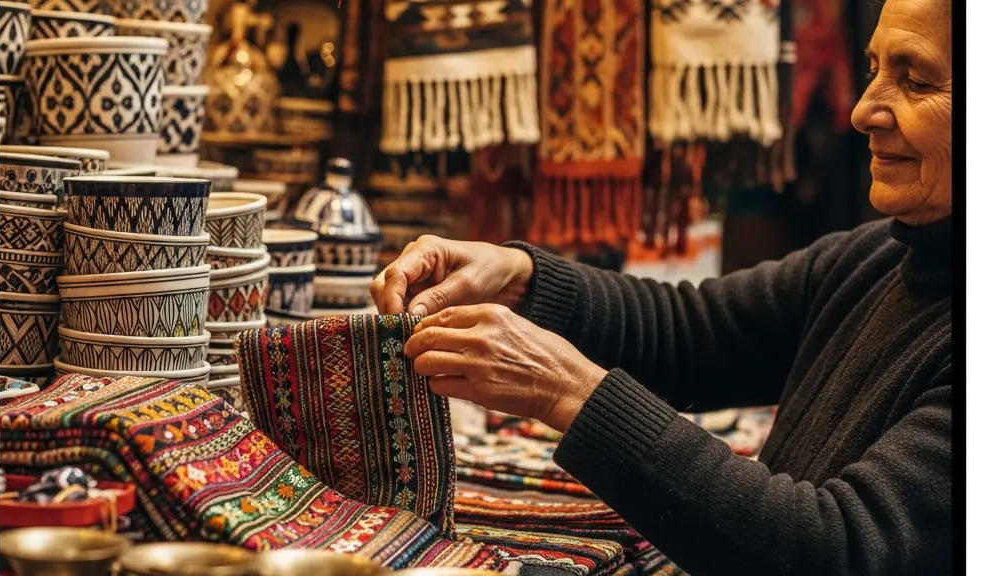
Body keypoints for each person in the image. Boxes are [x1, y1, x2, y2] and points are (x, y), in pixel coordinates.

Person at [370, 0, 952, 572]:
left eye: (917, 81)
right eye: (874, 70)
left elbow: (837, 549)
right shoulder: (877, 259)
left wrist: (568, 392)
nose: (862, 110)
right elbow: (693, 332)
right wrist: (520, 279)